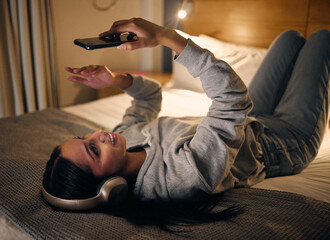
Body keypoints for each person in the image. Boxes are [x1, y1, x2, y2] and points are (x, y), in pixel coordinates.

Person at [42, 18, 329, 222]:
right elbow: (231, 101)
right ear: (109, 188)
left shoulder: (124, 140)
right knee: (321, 40)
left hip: (249, 117)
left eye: (85, 138)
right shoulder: (181, 178)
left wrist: (116, 79)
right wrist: (167, 37)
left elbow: (150, 97)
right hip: (282, 144)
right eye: (93, 149)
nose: (98, 135)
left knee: (291, 35)